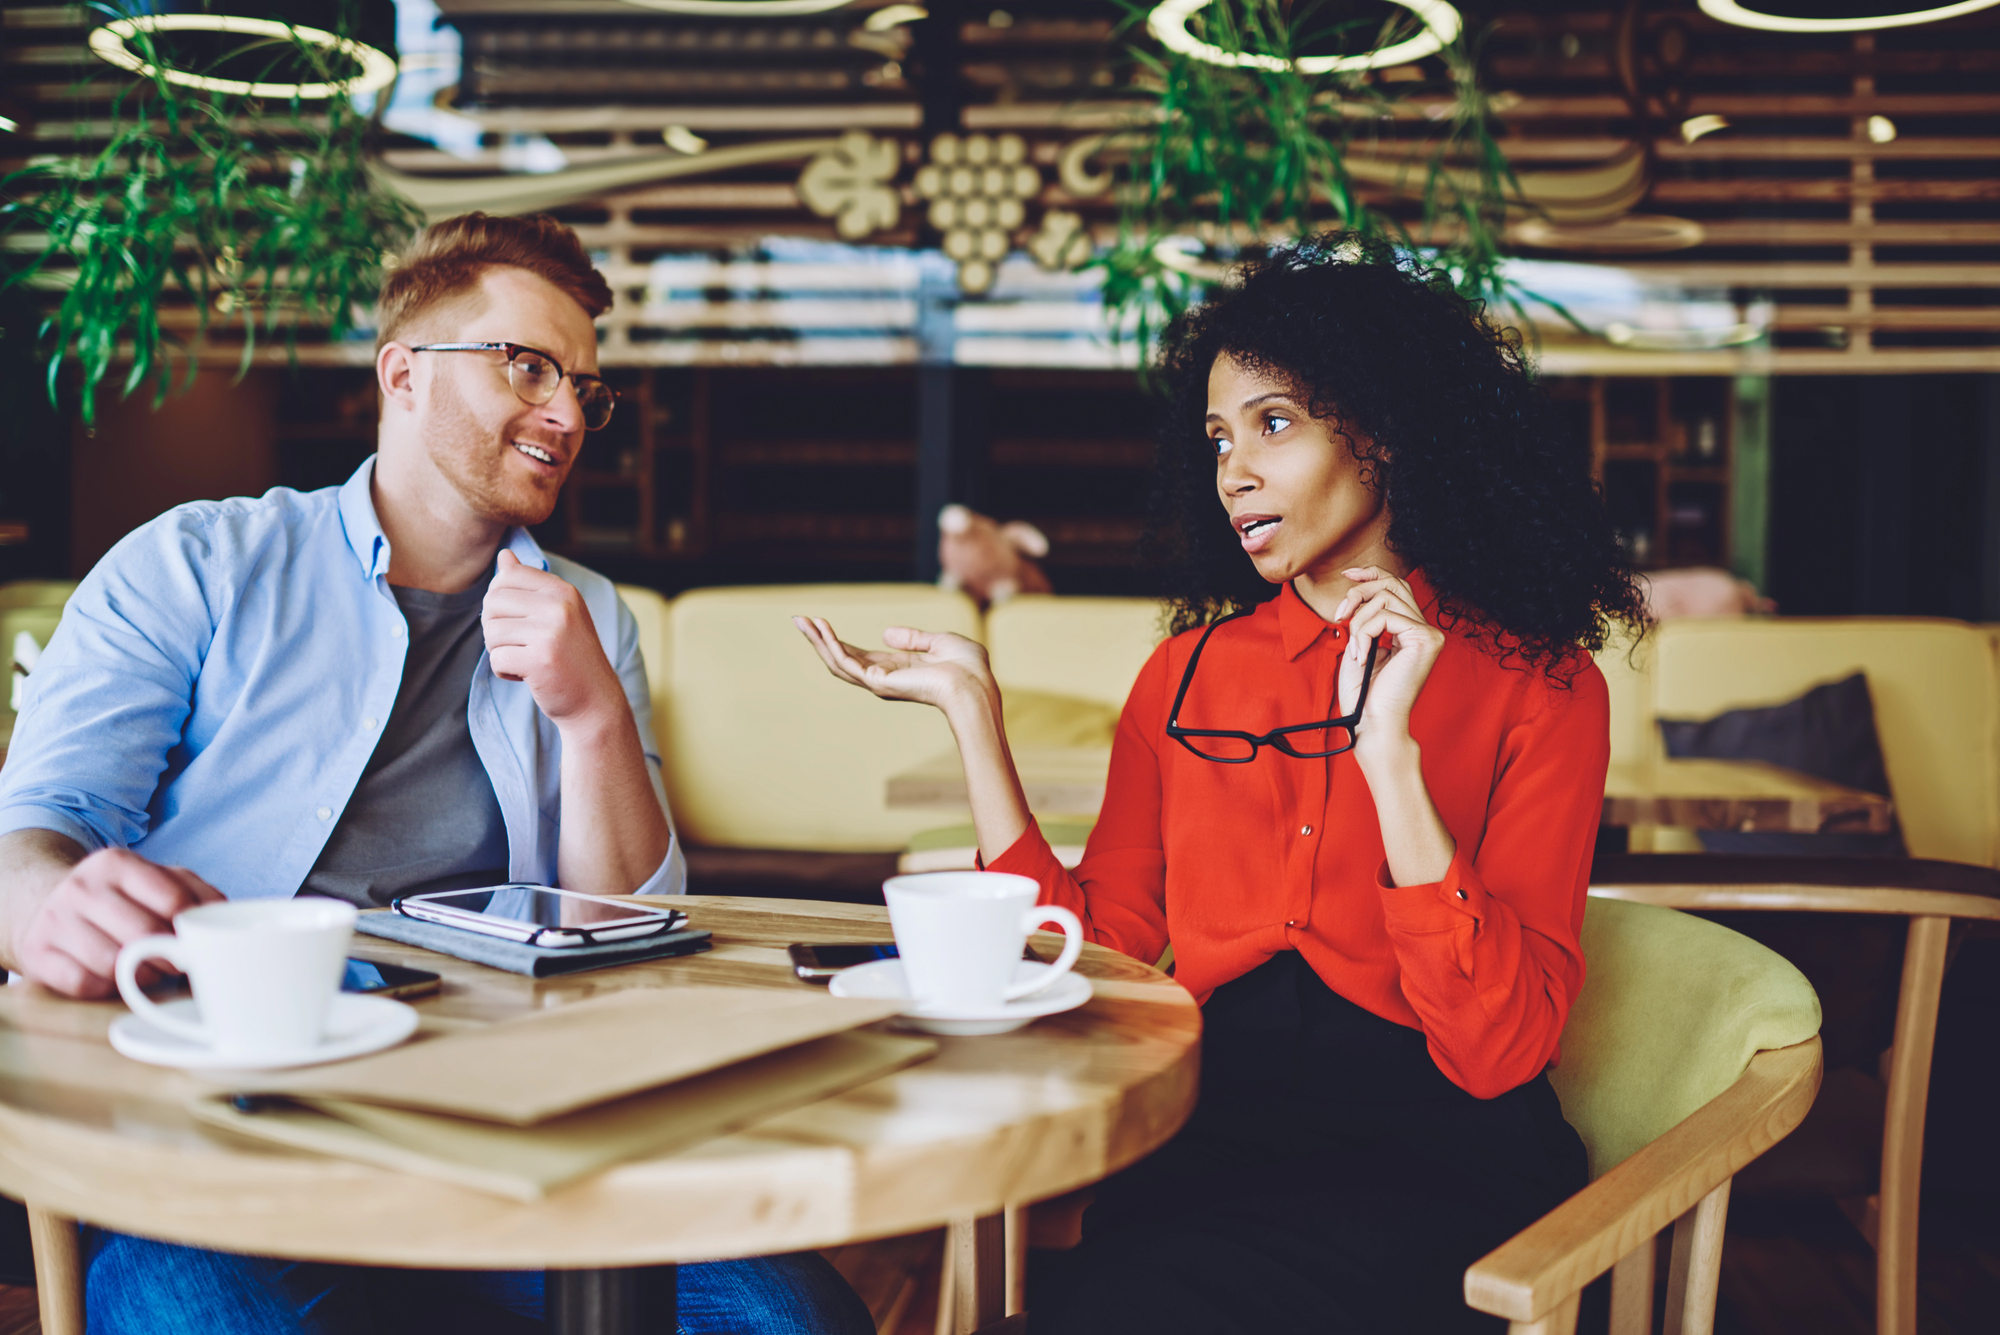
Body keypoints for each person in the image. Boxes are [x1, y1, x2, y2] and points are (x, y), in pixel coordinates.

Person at [0, 213, 875, 1335]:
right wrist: (48, 908)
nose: (566, 413)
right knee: (198, 1312)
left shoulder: (589, 613)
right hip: (221, 1116)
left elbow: (632, 927)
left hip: (493, 1118)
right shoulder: (197, 562)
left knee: (786, 1317)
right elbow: (42, 820)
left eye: (584, 389)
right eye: (527, 366)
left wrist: (592, 711)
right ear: (403, 375)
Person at [796, 236, 1649, 1333]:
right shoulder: (1184, 673)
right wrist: (977, 724)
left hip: (1433, 1165)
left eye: (1272, 423)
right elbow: (1094, 954)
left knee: (1111, 1307)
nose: (1232, 470)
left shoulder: (1541, 682)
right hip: (1203, 1140)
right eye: (1215, 438)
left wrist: (1389, 759)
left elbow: (1497, 1049)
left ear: (1382, 431)